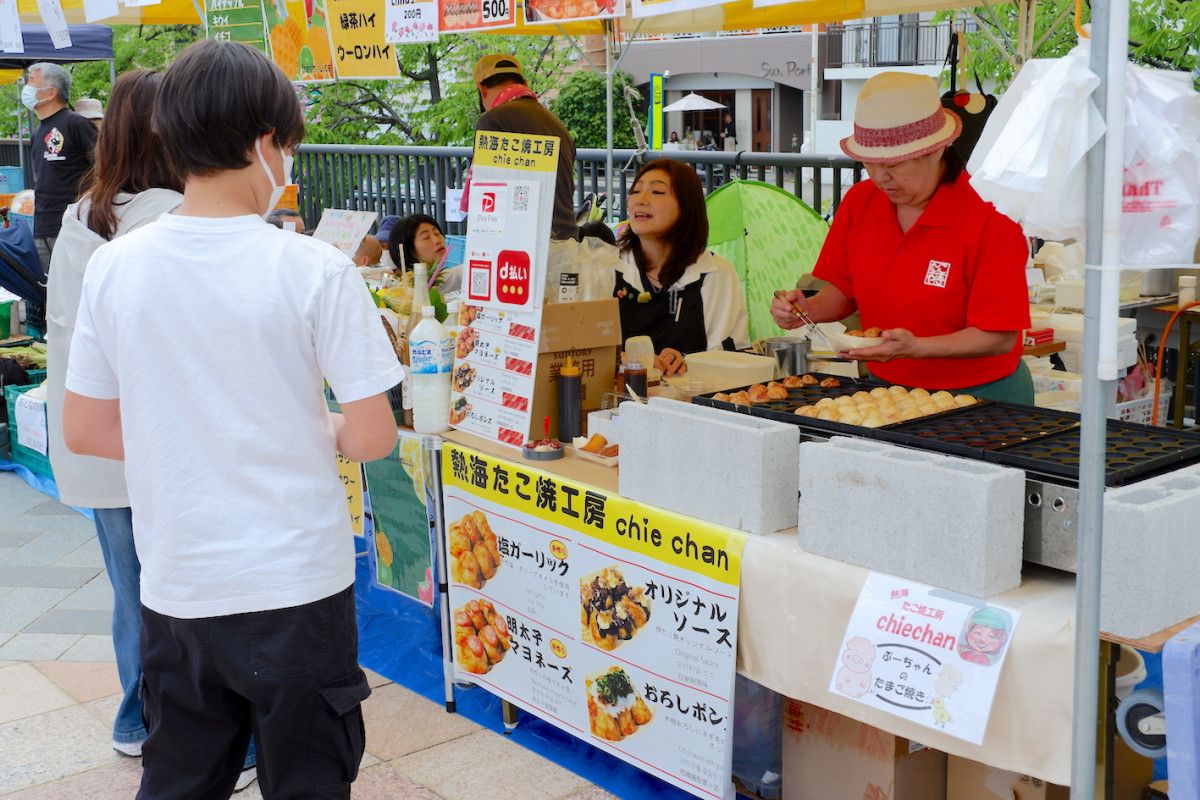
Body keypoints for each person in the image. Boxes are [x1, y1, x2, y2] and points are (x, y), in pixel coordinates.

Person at [61, 39, 403, 799]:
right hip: (299, 587)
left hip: (179, 585)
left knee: (181, 777)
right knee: (309, 779)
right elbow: (374, 436)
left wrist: (183, 437)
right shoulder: (313, 267)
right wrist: (312, 432)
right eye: (288, 145)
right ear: (263, 145)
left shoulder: (118, 263)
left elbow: (83, 430)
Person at [44, 67, 186, 765]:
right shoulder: (166, 216)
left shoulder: (87, 209)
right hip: (150, 438)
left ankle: (136, 717)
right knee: (168, 590)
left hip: (95, 434)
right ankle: (166, 726)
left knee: (131, 588)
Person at [770, 72, 1032, 403]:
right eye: (870, 162)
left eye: (894, 163)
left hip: (983, 396)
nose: (880, 177)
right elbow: (843, 291)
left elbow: (998, 336)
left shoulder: (993, 213)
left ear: (937, 150)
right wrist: (807, 309)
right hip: (887, 391)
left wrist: (916, 348)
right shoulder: (860, 201)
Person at [614, 159, 749, 376]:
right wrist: (621, 360)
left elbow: (730, 359)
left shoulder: (715, 273)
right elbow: (584, 347)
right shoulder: (607, 268)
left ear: (686, 205)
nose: (640, 200)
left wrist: (688, 363)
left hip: (689, 402)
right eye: (635, 191)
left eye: (657, 192)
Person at [467, 53, 578, 241]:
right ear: (524, 83)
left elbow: (489, 195)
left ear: (482, 89)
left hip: (527, 244)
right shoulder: (554, 122)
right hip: (566, 239)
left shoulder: (493, 120)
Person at [25, 63, 99, 273]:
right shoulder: (38, 132)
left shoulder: (76, 124)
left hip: (73, 226)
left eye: (32, 80)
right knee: (51, 292)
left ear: (50, 92)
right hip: (42, 225)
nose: (26, 85)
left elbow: (104, 169)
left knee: (74, 292)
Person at [388, 213, 461, 292]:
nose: (437, 240)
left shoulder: (441, 279)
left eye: (437, 233)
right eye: (426, 237)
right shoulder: (411, 289)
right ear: (409, 250)